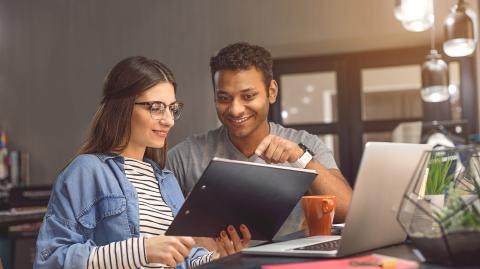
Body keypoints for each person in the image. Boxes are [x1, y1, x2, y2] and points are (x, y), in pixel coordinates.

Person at [34, 56, 251, 269]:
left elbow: (182, 257)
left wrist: (218, 257)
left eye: (172, 108)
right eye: (156, 107)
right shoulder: (87, 171)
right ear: (124, 107)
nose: (169, 120)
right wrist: (142, 251)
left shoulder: (167, 180)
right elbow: (51, 259)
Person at [167, 42, 353, 237]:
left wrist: (301, 157)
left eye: (248, 96)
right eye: (224, 98)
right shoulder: (186, 156)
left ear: (271, 92)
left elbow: (346, 211)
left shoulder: (305, 144)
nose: (235, 109)